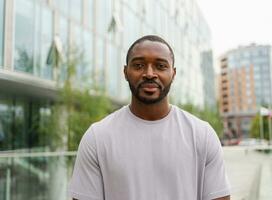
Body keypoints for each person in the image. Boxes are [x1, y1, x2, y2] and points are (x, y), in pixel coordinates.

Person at [68, 35, 231, 200]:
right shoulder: (97, 137)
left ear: (173, 74)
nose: (149, 74)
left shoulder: (202, 135)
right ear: (125, 72)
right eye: (139, 65)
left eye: (160, 66)